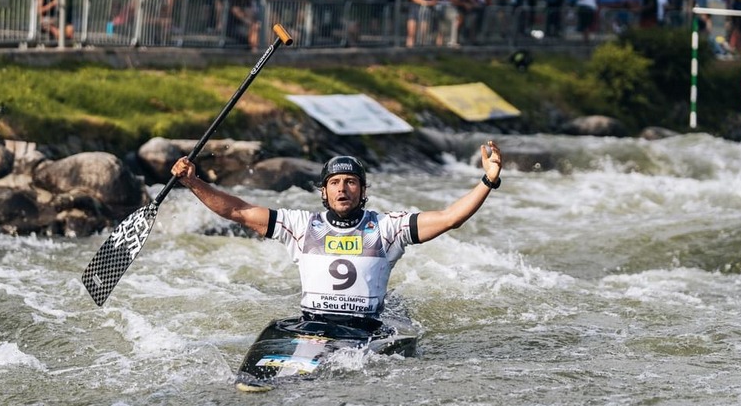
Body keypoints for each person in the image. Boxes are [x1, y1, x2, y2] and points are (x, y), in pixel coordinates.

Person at [169, 143, 503, 338]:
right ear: (324, 192)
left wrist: (488, 180)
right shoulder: (300, 225)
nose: (343, 189)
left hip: (367, 327)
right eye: (335, 183)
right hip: (313, 325)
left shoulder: (388, 228)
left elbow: (450, 218)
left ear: (363, 191)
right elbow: (239, 211)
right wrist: (195, 183)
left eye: (351, 182)